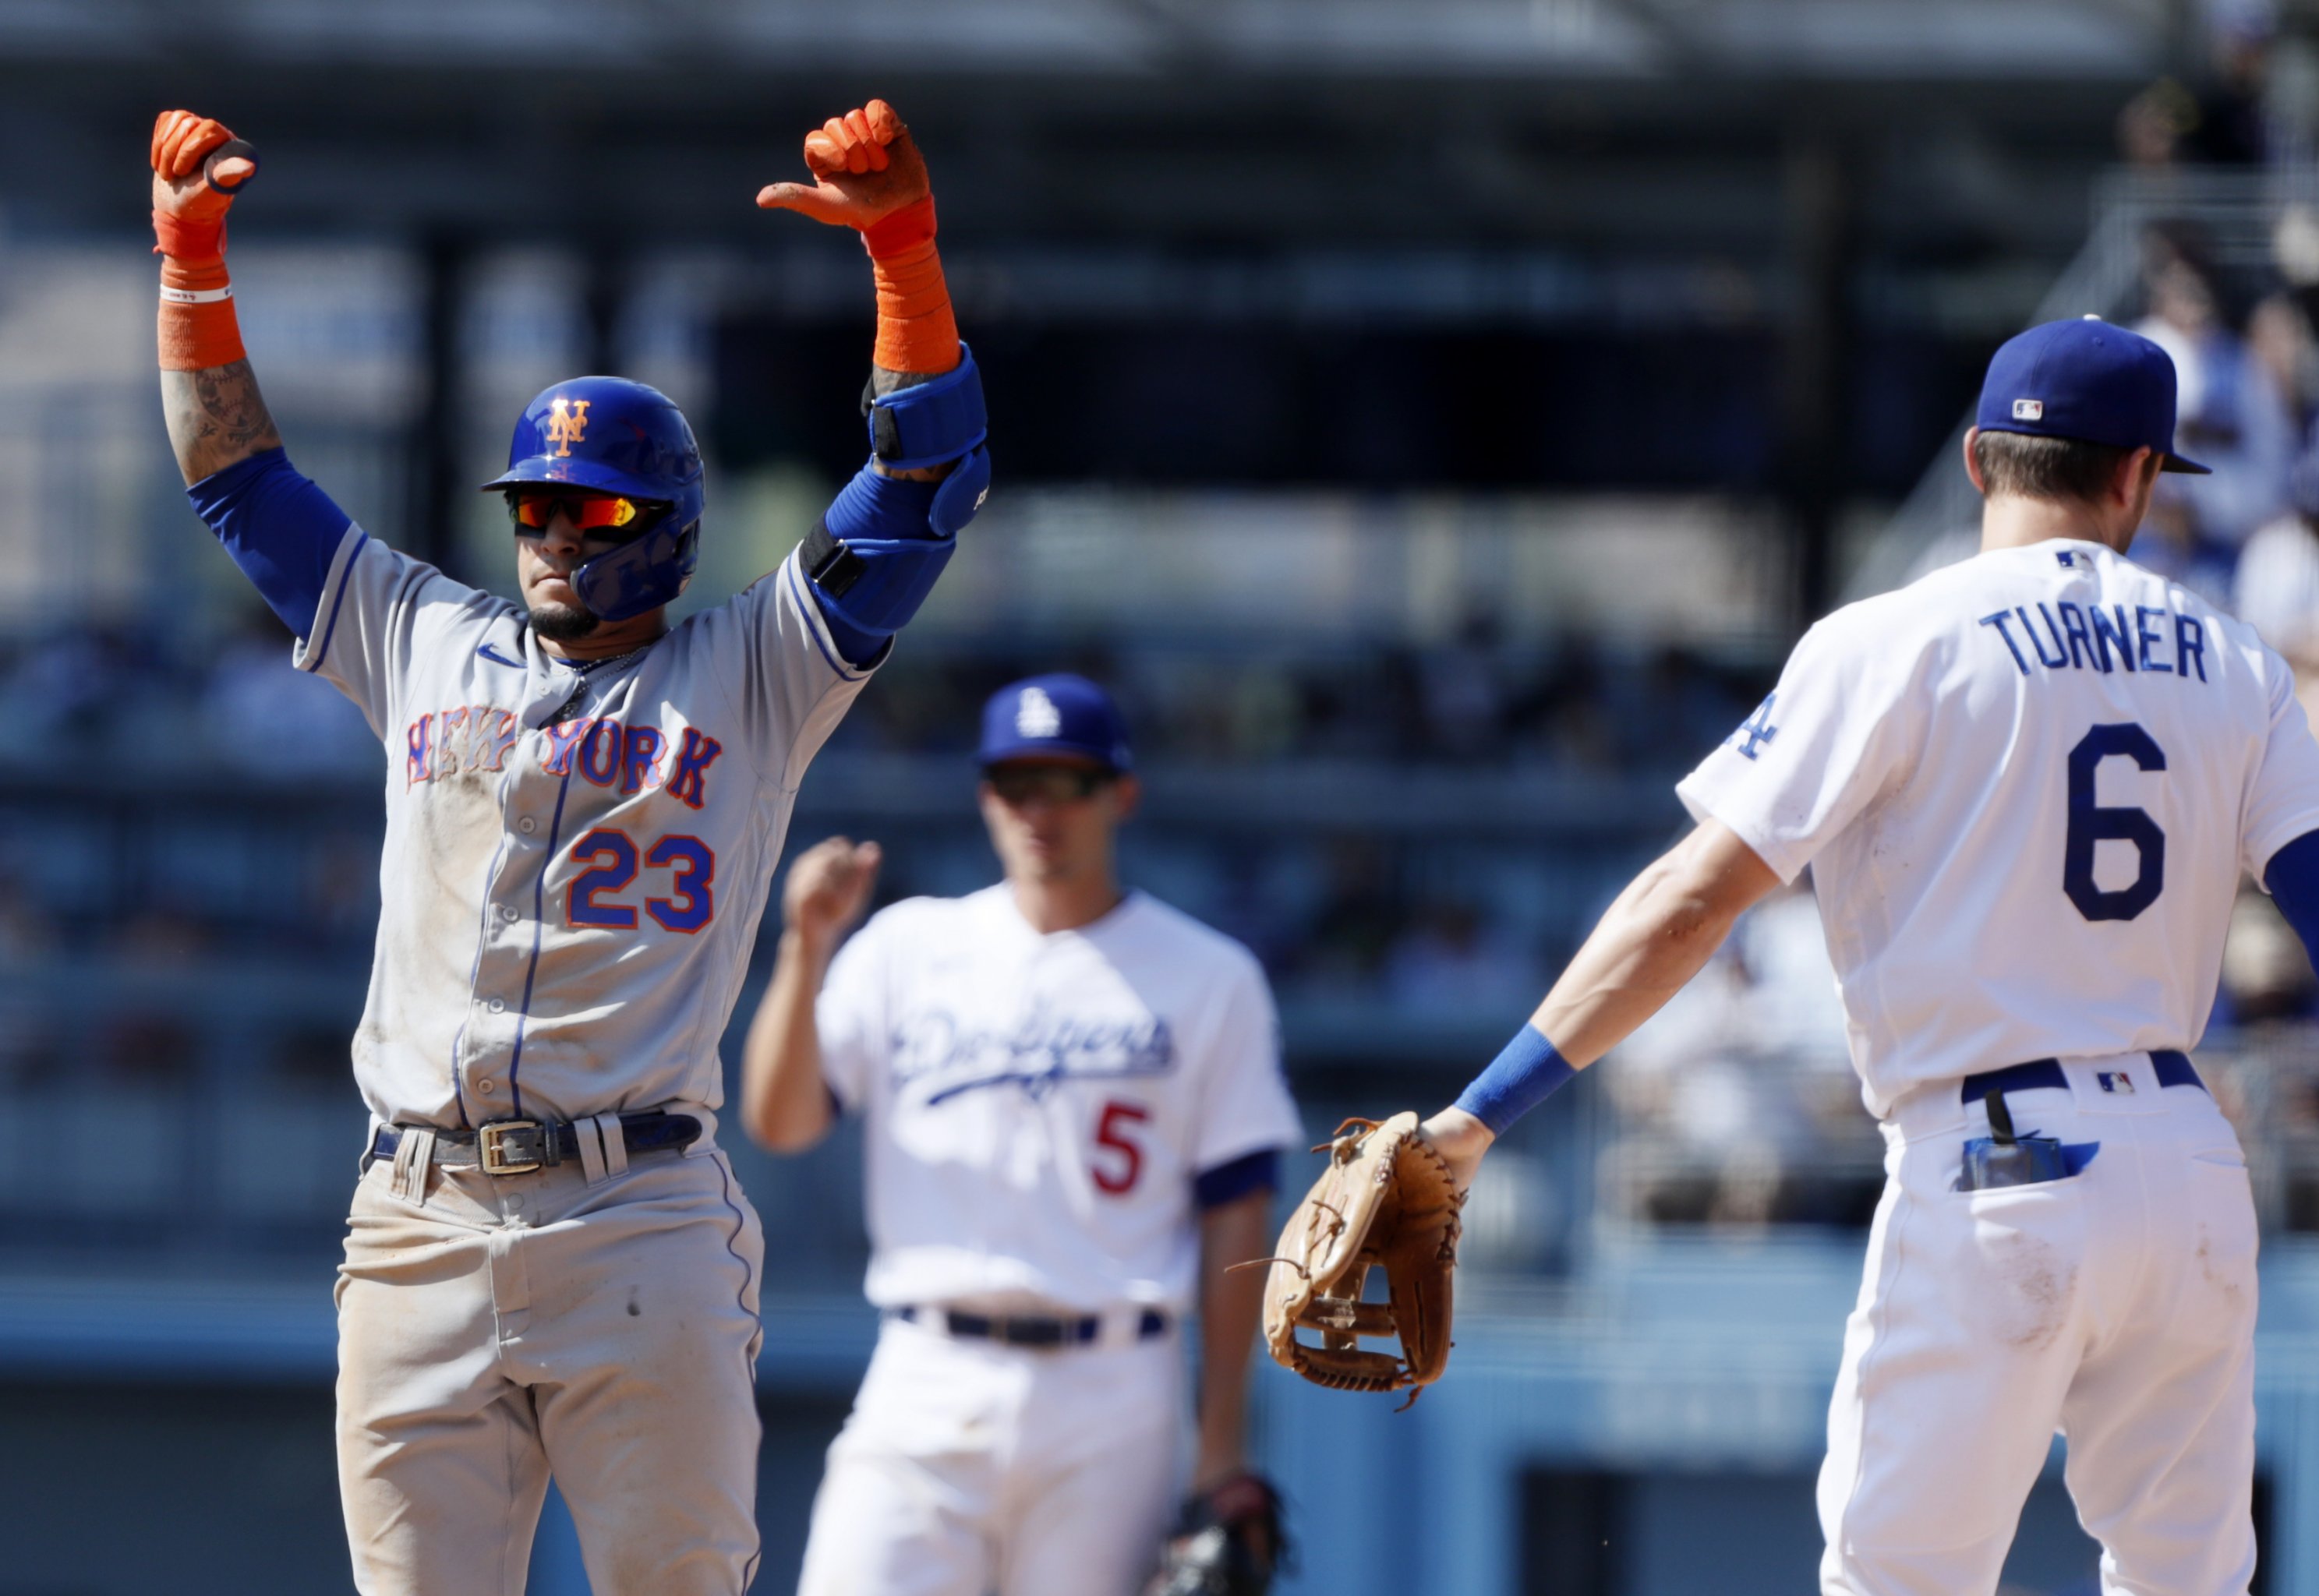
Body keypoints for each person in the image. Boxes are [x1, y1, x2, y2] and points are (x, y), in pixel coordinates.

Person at [148, 99, 989, 1595]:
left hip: (636, 1209)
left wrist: (904, 262)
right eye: (531, 501)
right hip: (415, 1208)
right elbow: (238, 483)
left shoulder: (756, 668)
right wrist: (189, 262)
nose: (548, 528)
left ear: (663, 525)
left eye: (585, 503)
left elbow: (925, 486)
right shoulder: (418, 631)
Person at [1418, 316, 2319, 1594]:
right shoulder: (2234, 658)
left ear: (1975, 462)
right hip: (2188, 1163)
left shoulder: (1896, 637)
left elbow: (1688, 905)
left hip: (2000, 1156)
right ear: (2135, 476)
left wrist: (1479, 1113)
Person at [741, 673, 1302, 1596]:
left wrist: (1221, 1443)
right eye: (1015, 781)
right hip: (924, 1367)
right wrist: (806, 947)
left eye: (1068, 780)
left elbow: (1238, 1210)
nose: (1040, 806)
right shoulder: (906, 946)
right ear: (984, 793)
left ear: (1120, 792)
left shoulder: (1209, 974)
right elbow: (782, 1118)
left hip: (1114, 1384)